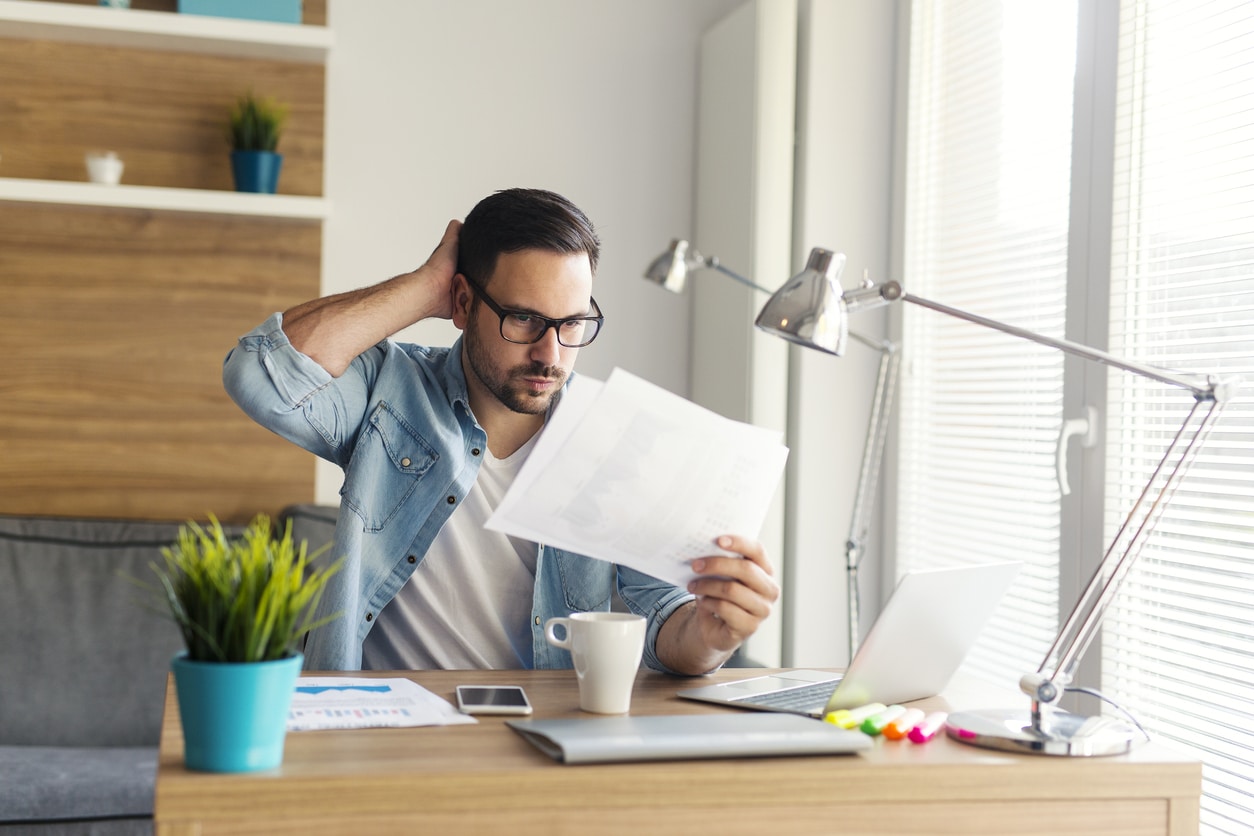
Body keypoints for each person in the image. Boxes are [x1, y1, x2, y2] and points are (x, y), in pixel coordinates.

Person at [222, 187, 779, 674]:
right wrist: (422, 288)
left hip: (539, 740)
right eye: (524, 320)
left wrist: (712, 637)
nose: (550, 354)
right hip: (383, 731)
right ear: (463, 303)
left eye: (573, 324)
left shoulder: (613, 439)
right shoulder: (390, 391)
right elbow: (258, 374)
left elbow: (662, 620)